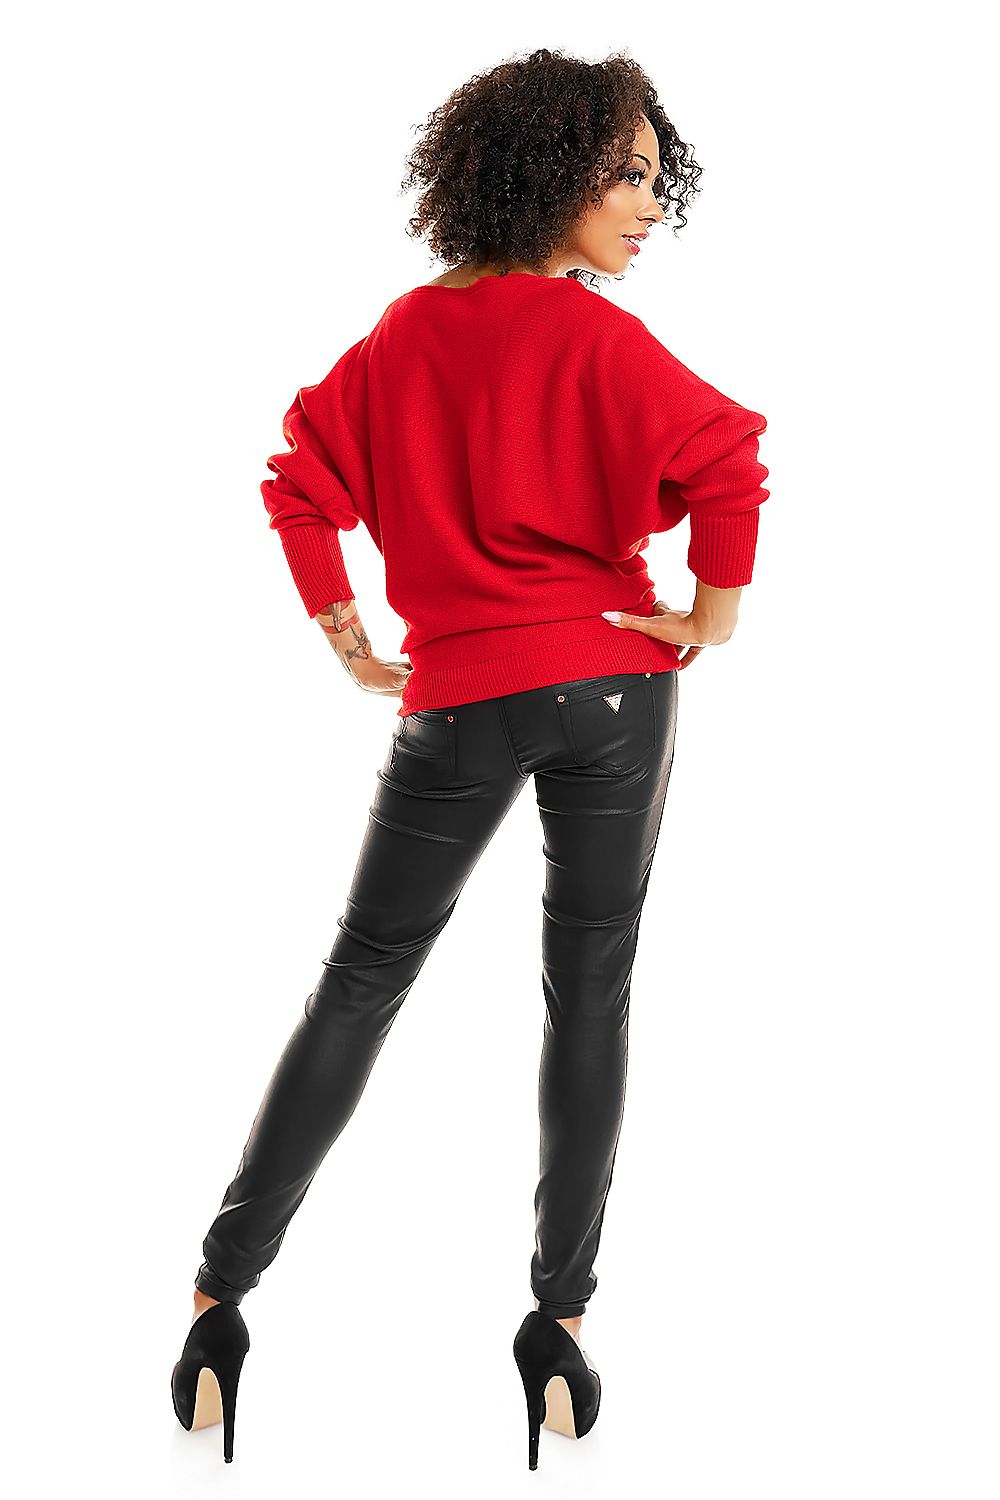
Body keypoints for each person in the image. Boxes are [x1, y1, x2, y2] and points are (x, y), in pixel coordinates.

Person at [171, 48, 770, 1470]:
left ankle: (217, 1305)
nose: (650, 205)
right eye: (626, 175)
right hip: (613, 690)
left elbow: (298, 484)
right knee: (590, 992)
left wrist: (350, 640)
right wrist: (711, 619)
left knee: (360, 980)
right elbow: (729, 459)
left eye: (656, 177)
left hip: (456, 698)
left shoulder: (401, 338)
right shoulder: (594, 337)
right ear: (547, 173)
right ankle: (557, 1329)